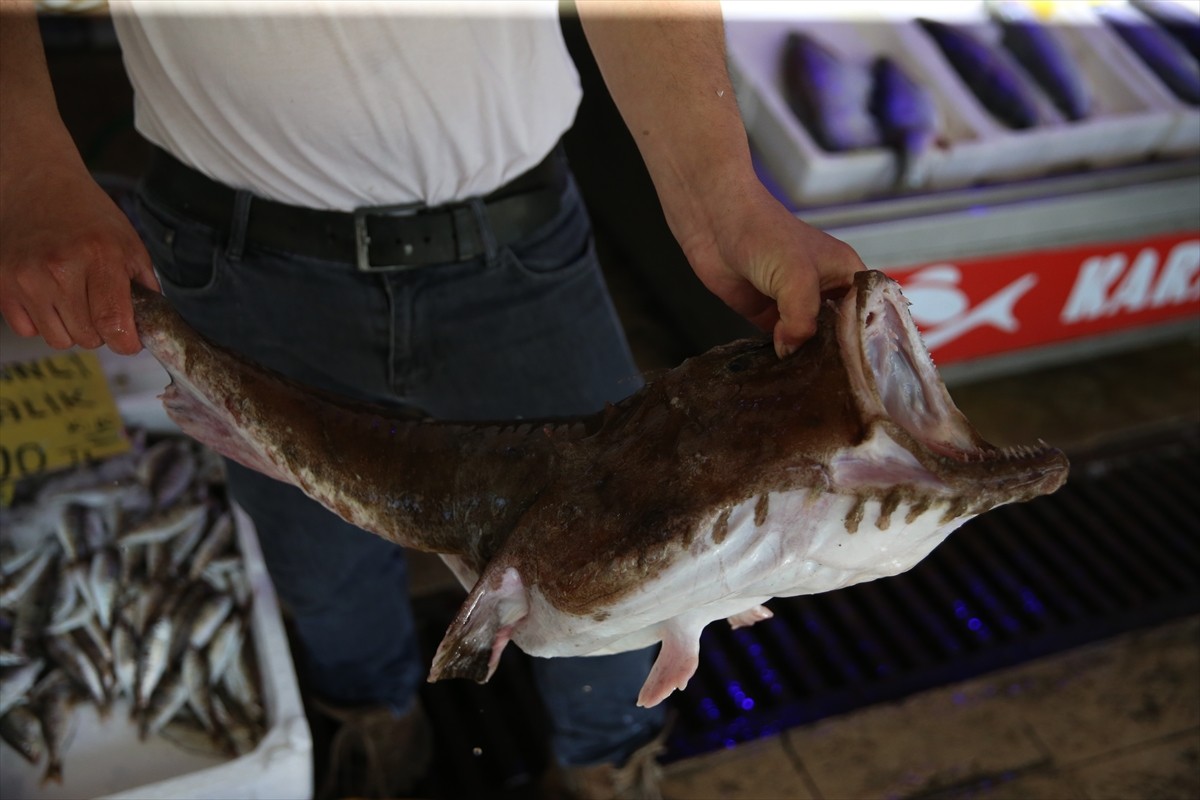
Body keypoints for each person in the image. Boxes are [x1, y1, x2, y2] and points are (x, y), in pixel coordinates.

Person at [0, 1, 865, 798]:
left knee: (642, 572)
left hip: (517, 242)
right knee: (321, 569)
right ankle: (376, 734)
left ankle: (605, 759)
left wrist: (726, 192)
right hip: (232, 254)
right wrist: (28, 166)